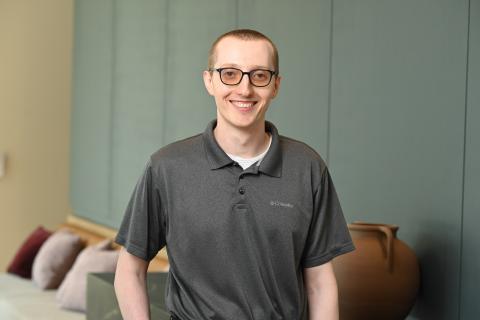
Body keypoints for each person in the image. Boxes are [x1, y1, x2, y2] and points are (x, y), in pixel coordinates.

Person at [114, 29, 354, 320]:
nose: (244, 89)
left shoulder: (307, 167)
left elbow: (319, 283)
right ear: (209, 81)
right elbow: (130, 270)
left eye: (259, 76)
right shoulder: (166, 167)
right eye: (230, 74)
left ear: (276, 85)